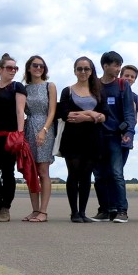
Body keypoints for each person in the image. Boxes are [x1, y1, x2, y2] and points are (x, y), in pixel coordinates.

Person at [58, 57, 106, 222]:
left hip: (92, 139)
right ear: (75, 71)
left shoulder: (98, 92)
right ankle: (74, 212)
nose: (83, 72)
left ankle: (83, 212)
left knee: (86, 176)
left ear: (91, 71)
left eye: (86, 69)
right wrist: (93, 115)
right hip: (72, 139)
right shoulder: (68, 91)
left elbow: (103, 116)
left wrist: (88, 116)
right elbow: (65, 114)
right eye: (80, 69)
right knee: (73, 174)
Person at [91, 50, 135, 223]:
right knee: (99, 175)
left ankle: (121, 211)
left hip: (116, 136)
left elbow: (129, 113)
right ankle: (105, 210)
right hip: (97, 136)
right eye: (116, 65)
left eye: (120, 65)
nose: (118, 69)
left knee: (116, 174)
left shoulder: (123, 85)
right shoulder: (93, 85)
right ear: (105, 66)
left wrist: (129, 132)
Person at [0, 54, 27, 223]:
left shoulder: (17, 87)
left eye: (15, 68)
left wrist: (20, 134)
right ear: (0, 69)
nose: (13, 71)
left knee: (8, 173)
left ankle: (5, 208)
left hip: (9, 137)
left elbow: (19, 112)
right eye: (9, 68)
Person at [21, 54, 57, 222]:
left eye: (41, 66)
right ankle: (34, 210)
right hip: (29, 127)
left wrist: (44, 130)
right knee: (31, 172)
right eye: (35, 65)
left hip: (45, 127)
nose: (38, 68)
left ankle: (43, 211)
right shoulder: (24, 89)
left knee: (43, 171)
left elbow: (52, 111)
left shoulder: (49, 86)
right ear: (29, 68)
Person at [119, 64, 138, 171]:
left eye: (132, 77)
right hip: (111, 135)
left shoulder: (135, 97)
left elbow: (134, 119)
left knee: (119, 170)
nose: (129, 78)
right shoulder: (114, 93)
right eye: (126, 75)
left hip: (127, 136)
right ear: (120, 76)